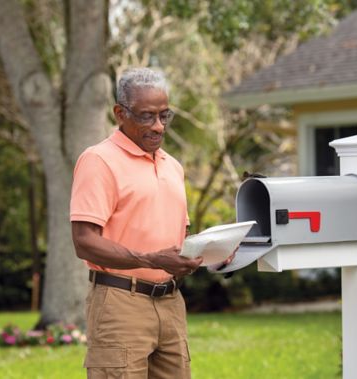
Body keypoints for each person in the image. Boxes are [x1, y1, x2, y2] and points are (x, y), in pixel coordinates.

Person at [70, 67, 203, 379]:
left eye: (164, 116)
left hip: (171, 303)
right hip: (119, 304)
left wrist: (211, 255)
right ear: (120, 113)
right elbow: (84, 241)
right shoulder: (99, 161)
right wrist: (150, 259)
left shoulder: (173, 167)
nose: (158, 126)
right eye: (146, 116)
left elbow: (178, 237)